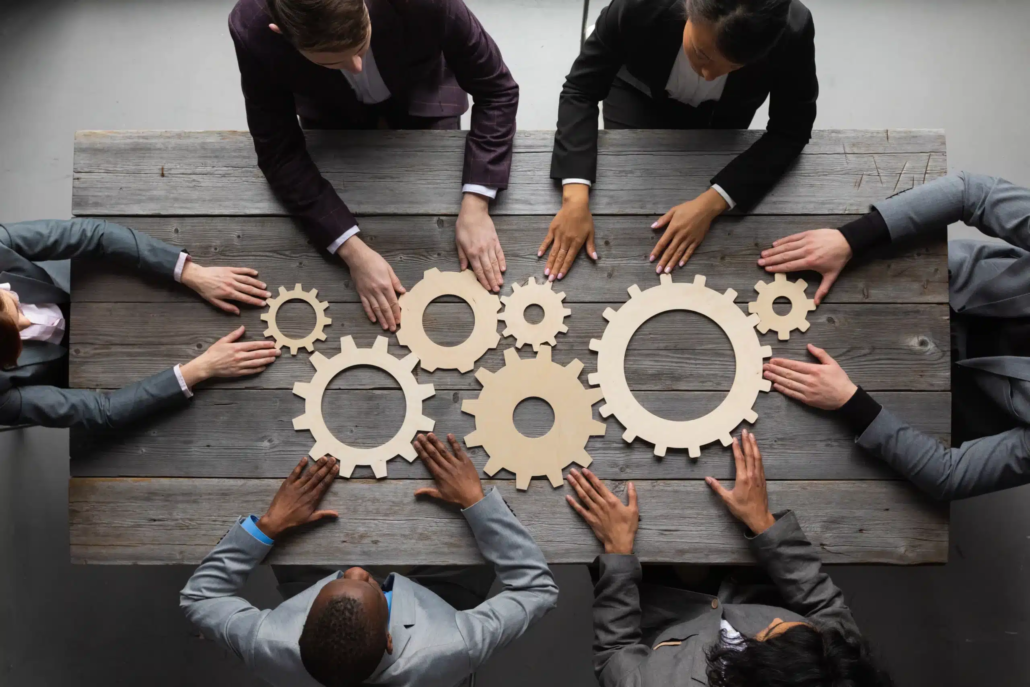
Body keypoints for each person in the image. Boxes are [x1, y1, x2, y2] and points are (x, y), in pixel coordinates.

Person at [228, 0, 519, 332]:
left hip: (425, 100)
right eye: (333, 61)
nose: (356, 66)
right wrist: (352, 252)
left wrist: (477, 202)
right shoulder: (252, 28)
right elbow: (279, 152)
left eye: (360, 44)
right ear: (281, 33)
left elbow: (497, 91)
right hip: (333, 122)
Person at [180, 433, 559, 687]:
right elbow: (536, 589)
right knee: (473, 545)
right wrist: (476, 502)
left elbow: (200, 598)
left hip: (322, 583)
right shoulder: (451, 645)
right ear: (389, 639)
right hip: (441, 597)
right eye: (370, 584)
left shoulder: (269, 643)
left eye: (343, 580)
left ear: (301, 628)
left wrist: (268, 526)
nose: (358, 569)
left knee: (294, 539)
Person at [760, 172, 1030, 501]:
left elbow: (950, 476)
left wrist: (849, 402)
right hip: (920, 278)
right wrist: (850, 239)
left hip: (929, 402)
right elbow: (972, 193)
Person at [566, 429, 891, 687]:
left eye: (775, 634)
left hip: (661, 603)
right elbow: (822, 604)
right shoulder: (838, 667)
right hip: (755, 570)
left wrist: (618, 552)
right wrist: (764, 524)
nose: (776, 620)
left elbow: (614, 654)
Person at [544, 0, 818, 281]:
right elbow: (581, 90)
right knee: (627, 195)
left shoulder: (792, 30)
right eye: (701, 54)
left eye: (733, 66)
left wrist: (711, 204)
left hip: (723, 115)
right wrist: (574, 199)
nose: (709, 75)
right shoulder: (639, 5)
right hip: (638, 89)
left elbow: (790, 130)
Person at [0, 218, 280, 429]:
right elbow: (102, 411)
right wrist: (203, 368)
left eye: (10, 301)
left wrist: (189, 272)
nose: (28, 320)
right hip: (78, 370)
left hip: (79, 287)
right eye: (20, 330)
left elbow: (94, 235)